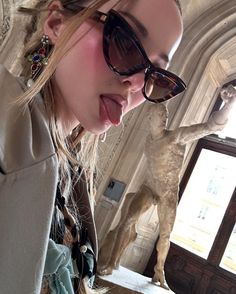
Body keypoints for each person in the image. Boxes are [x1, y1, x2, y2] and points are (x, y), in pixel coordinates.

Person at [0, 0, 185, 293]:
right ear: (57, 22)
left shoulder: (74, 171)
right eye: (125, 42)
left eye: (156, 76)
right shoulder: (6, 120)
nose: (135, 83)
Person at [97, 85, 236, 290]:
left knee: (164, 234)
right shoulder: (148, 141)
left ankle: (159, 270)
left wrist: (230, 103)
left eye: (165, 116)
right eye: (160, 115)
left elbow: (211, 127)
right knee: (127, 219)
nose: (163, 119)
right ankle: (111, 262)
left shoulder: (176, 137)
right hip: (149, 186)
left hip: (168, 192)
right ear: (149, 119)